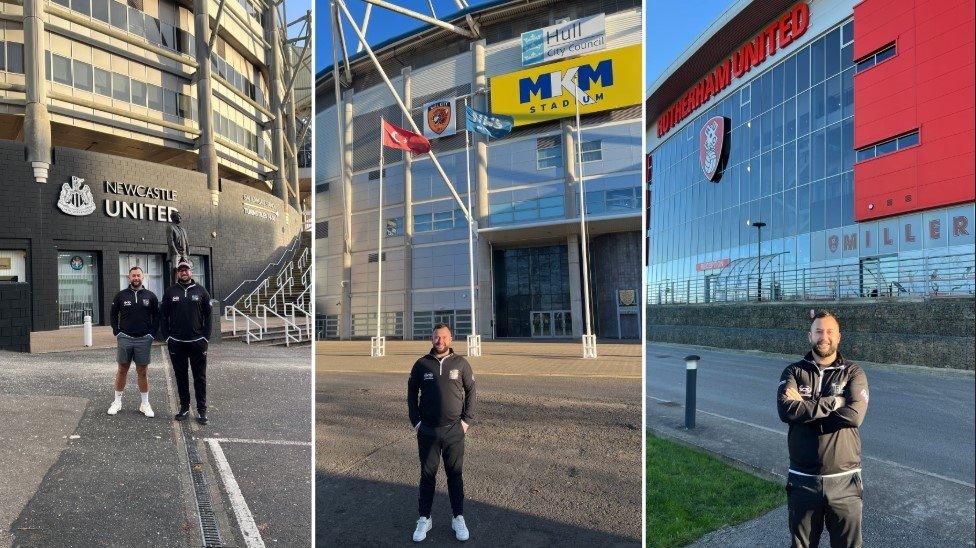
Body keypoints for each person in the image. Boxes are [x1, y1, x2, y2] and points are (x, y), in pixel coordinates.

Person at [777, 310, 870, 548]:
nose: (824, 336)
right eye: (819, 331)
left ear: (839, 337)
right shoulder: (793, 371)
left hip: (845, 480)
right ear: (810, 336)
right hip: (803, 480)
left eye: (829, 331)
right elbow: (786, 411)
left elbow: (853, 416)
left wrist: (804, 409)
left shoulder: (853, 372)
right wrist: (836, 402)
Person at [407, 324, 476, 542]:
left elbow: (471, 391)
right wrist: (416, 422)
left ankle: (458, 517)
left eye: (444, 337)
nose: (440, 341)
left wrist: (466, 421)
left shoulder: (461, 363)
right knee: (427, 476)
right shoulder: (421, 364)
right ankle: (424, 518)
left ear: (451, 339)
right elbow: (411, 393)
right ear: (431, 338)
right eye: (437, 337)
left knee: (454, 475)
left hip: (454, 430)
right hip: (427, 430)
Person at [160, 259, 212, 425]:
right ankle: (184, 407)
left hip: (197, 342)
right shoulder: (170, 292)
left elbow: (209, 316)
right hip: (177, 342)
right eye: (181, 270)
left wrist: (205, 337)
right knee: (181, 376)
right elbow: (163, 315)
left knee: (200, 377)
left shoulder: (202, 291)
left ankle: (202, 410)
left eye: (186, 269)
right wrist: (168, 336)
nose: (184, 272)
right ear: (177, 273)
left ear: (191, 272)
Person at [107, 266, 159, 417]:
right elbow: (112, 314)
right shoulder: (121, 296)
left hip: (144, 339)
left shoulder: (150, 296)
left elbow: (157, 316)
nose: (136, 278)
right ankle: (117, 402)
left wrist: (152, 334)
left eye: (138, 275)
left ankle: (145, 404)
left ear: (143, 277)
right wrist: (117, 332)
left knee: (142, 372)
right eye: (133, 276)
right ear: (128, 278)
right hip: (125, 338)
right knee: (122, 370)